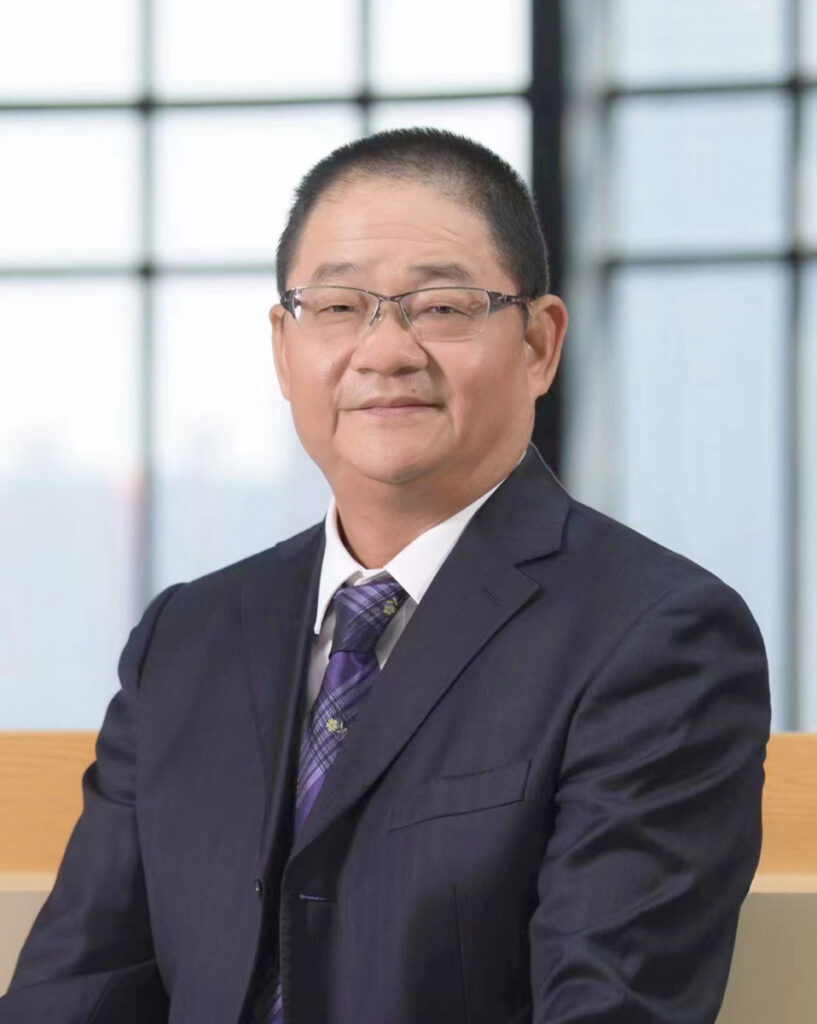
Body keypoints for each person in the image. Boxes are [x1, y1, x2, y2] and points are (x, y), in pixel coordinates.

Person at [0, 128, 770, 1024]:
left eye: (440, 307)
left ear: (538, 344)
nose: (385, 351)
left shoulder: (660, 638)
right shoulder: (186, 636)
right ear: (283, 348)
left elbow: (607, 1007)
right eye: (337, 307)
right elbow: (75, 991)